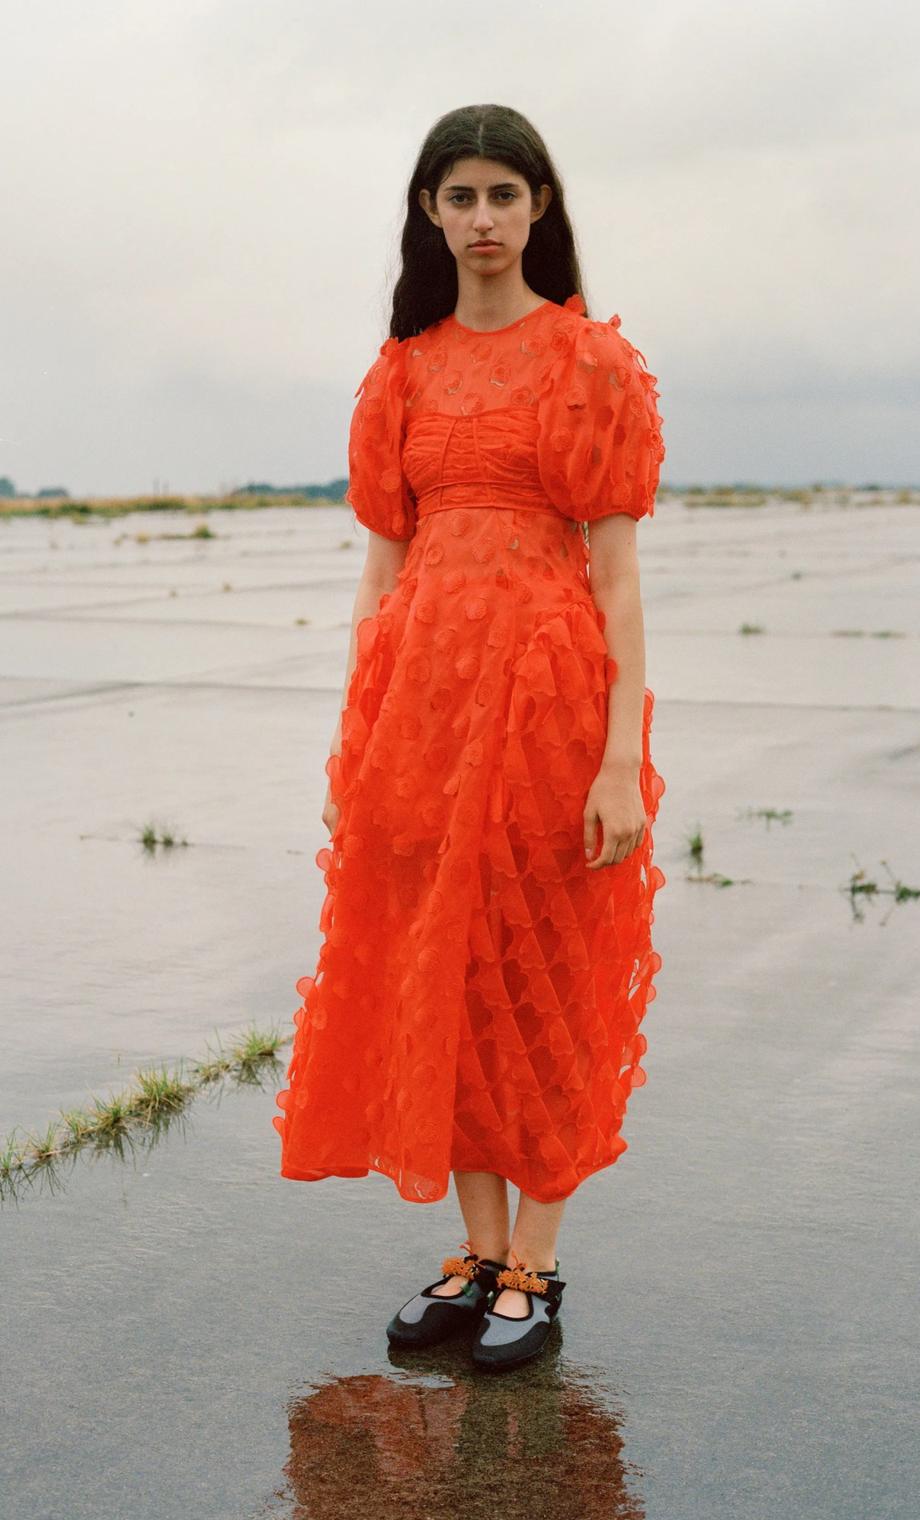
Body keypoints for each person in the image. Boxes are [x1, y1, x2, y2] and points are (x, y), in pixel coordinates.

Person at [273, 103, 667, 1372]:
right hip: (424, 712)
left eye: (507, 194)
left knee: (540, 966)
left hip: (548, 708)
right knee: (440, 967)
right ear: (430, 215)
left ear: (540, 208)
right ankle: (480, 1254)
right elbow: (379, 576)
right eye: (463, 197)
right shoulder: (402, 370)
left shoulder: (590, 364)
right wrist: (357, 742)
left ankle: (538, 1269)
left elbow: (616, 581)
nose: (485, 219)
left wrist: (617, 758)